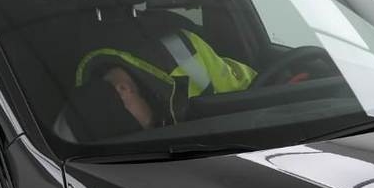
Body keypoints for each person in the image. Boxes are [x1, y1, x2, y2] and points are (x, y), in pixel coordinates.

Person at [69, 27, 258, 137]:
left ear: (123, 89)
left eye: (148, 125)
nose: (152, 128)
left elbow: (247, 88)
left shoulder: (182, 48)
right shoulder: (82, 107)